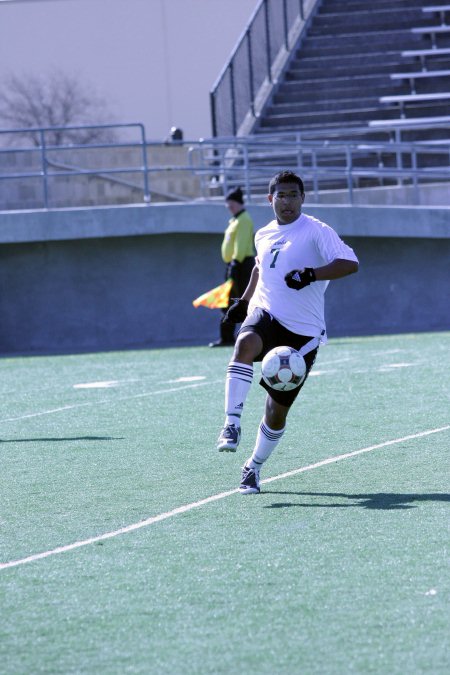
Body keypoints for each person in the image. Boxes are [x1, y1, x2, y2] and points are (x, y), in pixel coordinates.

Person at [216, 170, 359, 494]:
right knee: (244, 343)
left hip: (303, 336)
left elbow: (350, 263)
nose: (287, 201)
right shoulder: (263, 234)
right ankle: (231, 424)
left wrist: (312, 273)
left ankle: (253, 467)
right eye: (281, 195)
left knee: (275, 410)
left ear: (302, 198)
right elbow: (259, 267)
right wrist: (245, 301)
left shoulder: (316, 231)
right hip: (267, 315)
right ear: (271, 200)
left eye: (294, 195)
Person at [209, 187, 256, 347]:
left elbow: (241, 245)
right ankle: (227, 337)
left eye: (231, 204)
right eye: (227, 204)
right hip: (234, 265)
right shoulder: (235, 220)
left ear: (238, 203)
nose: (229, 207)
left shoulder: (244, 219)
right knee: (228, 301)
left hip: (241, 265)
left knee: (243, 301)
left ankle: (248, 334)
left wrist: (235, 264)